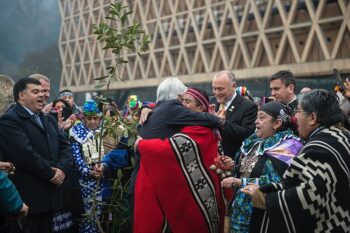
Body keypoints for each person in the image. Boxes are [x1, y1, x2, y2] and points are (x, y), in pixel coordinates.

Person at [242, 89, 350, 233]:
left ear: (312, 118)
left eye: (298, 111)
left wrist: (264, 197)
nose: (295, 117)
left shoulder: (317, 149)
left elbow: (307, 196)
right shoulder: (342, 136)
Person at [130, 78, 223, 225]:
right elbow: (210, 120)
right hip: (150, 185)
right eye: (182, 99)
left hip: (140, 181)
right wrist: (218, 119)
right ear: (177, 97)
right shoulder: (172, 107)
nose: (183, 104)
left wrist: (145, 106)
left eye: (187, 101)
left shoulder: (158, 109)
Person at [0, 78, 73, 233]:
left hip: (51, 197)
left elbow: (65, 147)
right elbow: (25, 155)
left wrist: (62, 170)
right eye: (35, 92)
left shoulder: (48, 119)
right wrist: (52, 172)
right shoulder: (10, 120)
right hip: (29, 200)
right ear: (21, 96)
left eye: (42, 91)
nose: (42, 95)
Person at [221, 101, 302, 233]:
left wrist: (242, 182)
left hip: (265, 216)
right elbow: (248, 169)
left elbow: (281, 183)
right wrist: (233, 166)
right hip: (240, 210)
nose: (256, 122)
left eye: (262, 117)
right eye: (257, 117)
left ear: (277, 123)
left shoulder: (289, 147)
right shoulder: (255, 142)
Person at [69, 99, 105, 233]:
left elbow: (110, 152)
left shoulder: (104, 131)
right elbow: (76, 157)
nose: (94, 122)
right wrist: (88, 172)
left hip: (102, 178)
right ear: (84, 118)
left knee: (101, 213)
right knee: (87, 214)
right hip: (85, 181)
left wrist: (103, 168)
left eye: (96, 118)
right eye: (90, 118)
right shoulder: (76, 132)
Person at [212, 70, 257, 158]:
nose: (217, 93)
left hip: (233, 160)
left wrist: (223, 123)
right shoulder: (211, 102)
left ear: (233, 86)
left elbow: (248, 134)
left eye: (221, 89)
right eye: (214, 88)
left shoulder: (248, 106)